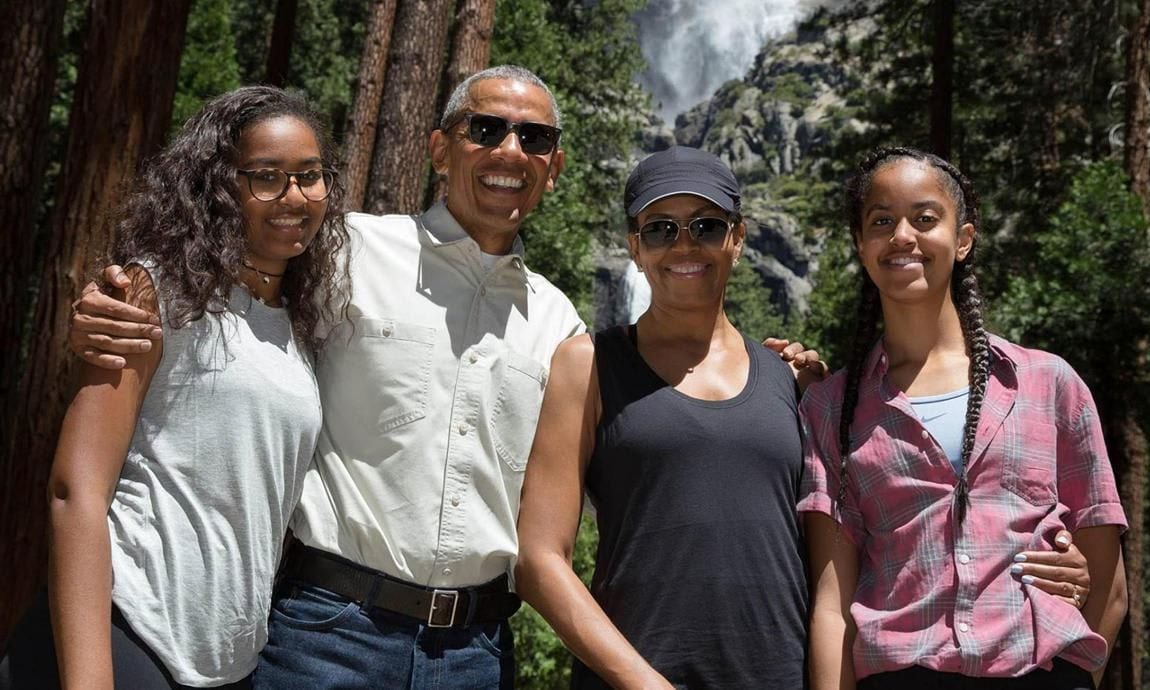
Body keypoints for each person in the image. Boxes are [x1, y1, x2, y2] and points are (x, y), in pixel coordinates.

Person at [2, 86, 349, 688]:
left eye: (310, 176)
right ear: (220, 186)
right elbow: (74, 490)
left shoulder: (300, 327)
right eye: (266, 177)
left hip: (226, 664)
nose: (293, 196)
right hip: (125, 632)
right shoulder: (155, 292)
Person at [799, 147, 1128, 690]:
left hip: (1040, 670)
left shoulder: (1049, 384)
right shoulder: (831, 407)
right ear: (861, 245)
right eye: (882, 221)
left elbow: (1109, 587)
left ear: (964, 239)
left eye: (925, 219)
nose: (903, 235)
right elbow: (832, 606)